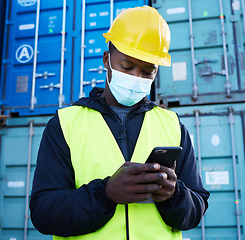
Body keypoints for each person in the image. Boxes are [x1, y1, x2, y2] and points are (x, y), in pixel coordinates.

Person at [30, 5, 209, 240]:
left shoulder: (172, 125)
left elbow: (197, 209)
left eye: (148, 71)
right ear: (107, 59)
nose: (136, 77)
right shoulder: (65, 124)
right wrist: (105, 194)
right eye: (127, 66)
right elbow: (44, 212)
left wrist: (174, 195)